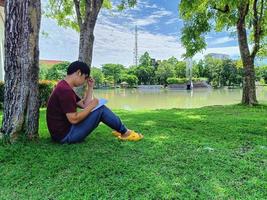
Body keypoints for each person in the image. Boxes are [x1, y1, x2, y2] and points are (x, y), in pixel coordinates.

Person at [46, 61, 143, 144]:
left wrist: (90, 87)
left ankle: (120, 129)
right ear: (79, 73)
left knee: (99, 108)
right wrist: (92, 105)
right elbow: (73, 119)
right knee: (101, 110)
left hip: (64, 133)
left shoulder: (64, 87)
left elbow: (84, 105)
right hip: (65, 136)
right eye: (85, 78)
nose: (84, 81)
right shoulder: (65, 90)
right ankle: (125, 132)